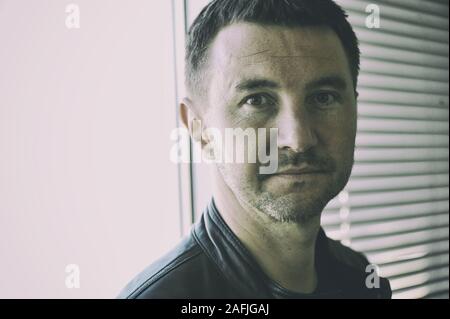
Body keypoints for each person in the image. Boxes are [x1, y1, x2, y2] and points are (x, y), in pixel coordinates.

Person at [119, 0, 392, 299]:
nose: (298, 139)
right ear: (199, 129)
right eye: (257, 100)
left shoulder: (363, 281)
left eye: (323, 98)